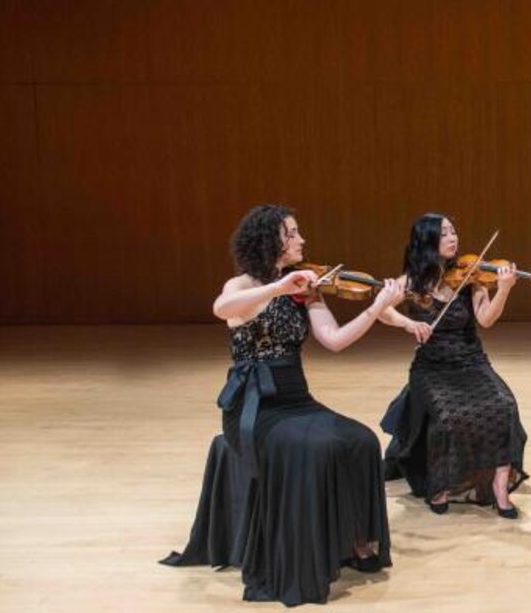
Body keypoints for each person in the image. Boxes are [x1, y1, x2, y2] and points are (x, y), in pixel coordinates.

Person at [162, 204, 402, 607]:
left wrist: (376, 309)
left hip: (297, 398)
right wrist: (278, 286)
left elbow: (336, 340)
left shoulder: (306, 288)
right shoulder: (243, 286)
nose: (302, 240)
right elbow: (222, 309)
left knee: (361, 440)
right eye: (293, 233)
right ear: (270, 240)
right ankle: (304, 554)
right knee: (315, 449)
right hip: (255, 408)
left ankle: (355, 541)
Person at [379, 213, 528, 518]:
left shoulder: (471, 277)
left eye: (454, 231)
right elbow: (382, 310)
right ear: (427, 241)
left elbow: (486, 319)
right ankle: (441, 483)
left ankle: (500, 488)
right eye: (444, 233)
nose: (453, 238)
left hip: (471, 361)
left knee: (504, 406)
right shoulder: (411, 281)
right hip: (432, 368)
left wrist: (504, 289)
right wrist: (409, 324)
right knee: (447, 417)